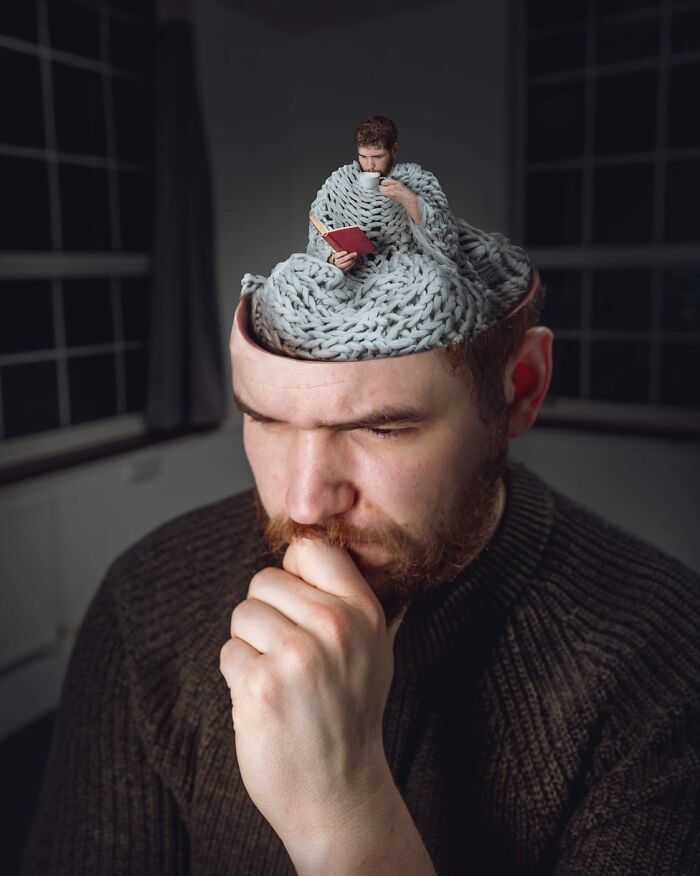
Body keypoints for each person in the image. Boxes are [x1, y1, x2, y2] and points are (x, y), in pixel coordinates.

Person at [25, 179, 700, 875]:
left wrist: (341, 812)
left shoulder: (667, 658)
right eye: (267, 419)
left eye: (382, 428)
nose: (305, 505)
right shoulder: (148, 597)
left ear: (519, 389)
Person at [307, 115, 459, 274]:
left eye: (378, 157)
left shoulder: (417, 180)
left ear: (394, 150)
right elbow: (319, 230)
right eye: (363, 157)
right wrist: (332, 258)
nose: (369, 166)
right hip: (352, 273)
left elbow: (447, 244)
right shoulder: (340, 181)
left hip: (403, 269)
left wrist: (410, 200)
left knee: (436, 282)